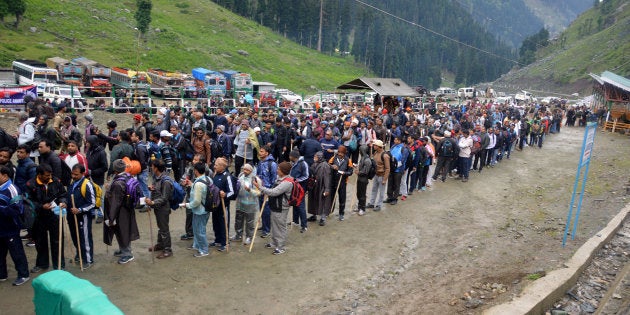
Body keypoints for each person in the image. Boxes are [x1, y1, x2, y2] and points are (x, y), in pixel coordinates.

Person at [25, 164, 67, 272]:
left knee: (57, 241)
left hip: (54, 216)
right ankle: (42, 264)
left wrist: (63, 202)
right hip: (39, 217)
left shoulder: (55, 180)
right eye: (47, 175)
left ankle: (59, 265)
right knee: (40, 242)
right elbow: (28, 202)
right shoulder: (31, 184)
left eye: (50, 174)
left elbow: (63, 193)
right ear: (39, 175)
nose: (49, 177)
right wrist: (41, 206)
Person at [103, 159, 140, 264]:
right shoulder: (129, 177)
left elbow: (115, 202)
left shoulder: (118, 183)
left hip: (120, 211)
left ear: (115, 170)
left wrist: (111, 216)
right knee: (123, 231)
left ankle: (127, 254)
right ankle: (123, 249)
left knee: (122, 231)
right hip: (128, 209)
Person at [253, 162, 294, 255]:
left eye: (279, 169)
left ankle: (281, 246)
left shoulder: (287, 182)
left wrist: (259, 187)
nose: (277, 170)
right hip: (275, 205)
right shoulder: (280, 179)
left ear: (283, 171)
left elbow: (274, 192)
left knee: (280, 227)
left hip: (281, 207)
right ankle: (273, 242)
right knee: (274, 225)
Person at [0, 165, 30, 286]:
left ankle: (23, 274)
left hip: (11, 228)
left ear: (5, 176)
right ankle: (2, 274)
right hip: (1, 228)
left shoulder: (13, 190)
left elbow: (17, 210)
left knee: (16, 252)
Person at [66, 164, 96, 268]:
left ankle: (88, 260)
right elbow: (68, 197)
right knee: (75, 236)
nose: (73, 176)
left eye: (76, 174)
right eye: (72, 174)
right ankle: (80, 254)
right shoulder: (71, 182)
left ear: (83, 173)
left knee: (85, 238)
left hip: (83, 217)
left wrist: (80, 210)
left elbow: (92, 203)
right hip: (71, 215)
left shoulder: (87, 185)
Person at [145, 159, 174, 259]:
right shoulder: (156, 177)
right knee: (160, 227)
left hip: (163, 208)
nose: (151, 168)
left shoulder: (165, 181)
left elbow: (164, 198)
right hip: (157, 207)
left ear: (156, 168)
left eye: (152, 166)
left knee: (164, 229)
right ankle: (160, 244)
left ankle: (167, 249)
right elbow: (158, 191)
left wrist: (152, 202)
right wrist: (152, 189)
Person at [182, 162, 213, 257]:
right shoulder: (208, 179)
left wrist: (186, 205)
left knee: (199, 231)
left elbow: (196, 201)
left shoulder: (199, 183)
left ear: (196, 171)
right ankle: (197, 245)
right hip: (206, 208)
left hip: (200, 210)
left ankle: (204, 250)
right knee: (198, 229)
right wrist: (192, 184)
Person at [212, 157, 237, 252]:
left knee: (223, 224)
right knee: (215, 223)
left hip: (224, 205)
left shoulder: (227, 176)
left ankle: (225, 242)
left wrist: (225, 194)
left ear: (222, 167)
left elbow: (232, 192)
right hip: (215, 204)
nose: (214, 166)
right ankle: (217, 240)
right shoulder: (215, 174)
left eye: (216, 165)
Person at [231, 164, 260, 245]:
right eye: (244, 169)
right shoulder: (240, 176)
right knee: (238, 220)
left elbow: (258, 193)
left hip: (251, 204)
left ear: (251, 170)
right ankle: (238, 235)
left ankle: (249, 237)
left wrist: (250, 190)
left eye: (247, 170)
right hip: (240, 203)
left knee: (250, 222)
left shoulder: (255, 179)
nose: (244, 171)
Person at [256, 145, 277, 238]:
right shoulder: (260, 162)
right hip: (260, 190)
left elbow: (274, 179)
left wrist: (269, 191)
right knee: (261, 209)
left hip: (267, 191)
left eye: (262, 151)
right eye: (260, 151)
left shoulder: (272, 164)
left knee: (267, 210)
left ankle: (267, 229)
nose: (260, 153)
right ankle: (264, 225)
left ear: (267, 153)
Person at [307, 151, 332, 226]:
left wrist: (327, 189)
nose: (314, 158)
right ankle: (314, 215)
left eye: (316, 157)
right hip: (314, 186)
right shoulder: (314, 164)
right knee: (313, 201)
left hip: (322, 186)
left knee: (323, 202)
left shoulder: (325, 166)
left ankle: (323, 218)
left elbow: (327, 178)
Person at [328, 145, 353, 221]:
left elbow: (350, 172)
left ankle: (341, 213)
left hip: (342, 182)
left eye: (341, 153)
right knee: (332, 197)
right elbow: (328, 165)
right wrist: (332, 167)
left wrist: (344, 173)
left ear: (344, 153)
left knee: (342, 198)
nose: (339, 154)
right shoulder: (333, 158)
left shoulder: (348, 160)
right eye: (338, 152)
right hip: (333, 181)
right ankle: (330, 211)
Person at [288, 150, 309, 233]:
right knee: (294, 204)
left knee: (301, 206)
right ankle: (295, 221)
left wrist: (296, 180)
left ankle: (304, 225)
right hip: (294, 188)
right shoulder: (293, 163)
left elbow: (306, 176)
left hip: (300, 188)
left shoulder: (303, 164)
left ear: (294, 157)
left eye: (290, 156)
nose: (289, 157)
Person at [367, 140, 389, 212]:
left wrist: (385, 179)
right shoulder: (375, 152)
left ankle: (379, 205)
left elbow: (387, 168)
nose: (374, 146)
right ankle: (372, 203)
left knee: (381, 192)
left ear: (379, 147)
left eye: (375, 145)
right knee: (374, 189)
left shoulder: (385, 156)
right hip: (376, 175)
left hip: (382, 176)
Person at [355, 145, 373, 216]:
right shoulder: (362, 158)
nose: (359, 152)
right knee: (358, 193)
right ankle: (359, 206)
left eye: (360, 150)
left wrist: (359, 172)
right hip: (359, 178)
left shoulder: (367, 160)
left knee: (362, 195)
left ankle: (362, 209)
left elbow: (366, 171)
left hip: (364, 179)